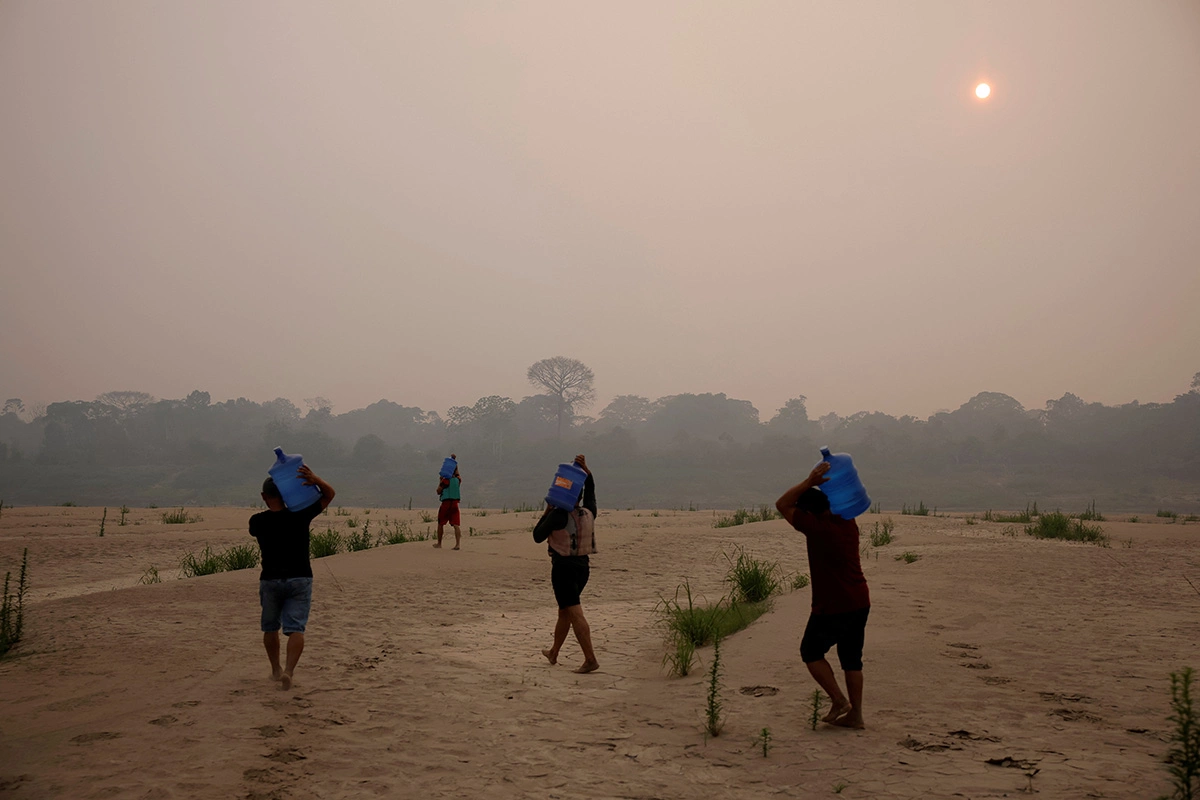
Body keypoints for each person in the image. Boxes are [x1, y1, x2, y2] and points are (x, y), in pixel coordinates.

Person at [775, 460, 870, 729]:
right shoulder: (848, 521)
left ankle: (840, 701)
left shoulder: (817, 529)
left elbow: (782, 504)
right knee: (852, 658)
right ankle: (856, 716)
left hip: (833, 604)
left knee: (810, 651)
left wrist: (808, 481)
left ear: (810, 513)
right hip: (860, 600)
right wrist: (826, 486)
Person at [249, 464, 336, 691]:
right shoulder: (300, 515)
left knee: (270, 627)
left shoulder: (257, 521)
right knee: (296, 628)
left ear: (264, 497)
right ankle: (289, 671)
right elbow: (330, 494)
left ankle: (276, 669)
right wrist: (314, 479)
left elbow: (259, 526)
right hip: (300, 578)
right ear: (286, 493)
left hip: (270, 579)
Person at [533, 454, 599, 674]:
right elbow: (591, 493)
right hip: (583, 568)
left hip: (563, 569)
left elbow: (537, 535)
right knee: (565, 611)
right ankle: (554, 652)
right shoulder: (589, 512)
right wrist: (587, 473)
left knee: (575, 613)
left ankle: (590, 659)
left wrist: (547, 511)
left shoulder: (558, 516)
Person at [434, 454, 462, 550]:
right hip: (455, 504)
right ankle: (458, 544)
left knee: (441, 523)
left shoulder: (445, 480)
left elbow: (438, 491)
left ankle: (439, 543)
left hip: (446, 504)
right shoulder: (458, 480)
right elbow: (457, 473)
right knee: (456, 524)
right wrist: (454, 461)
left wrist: (440, 481)